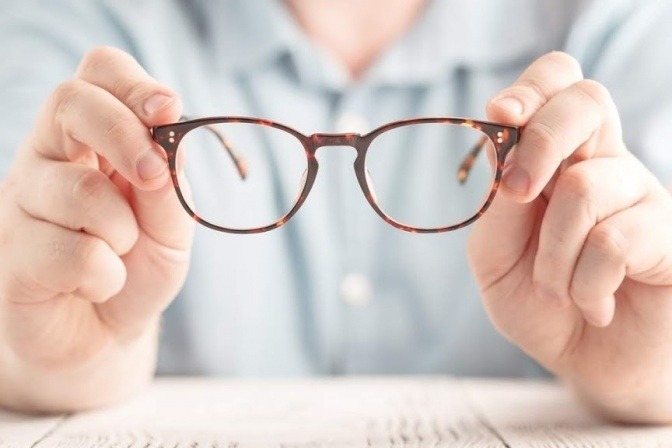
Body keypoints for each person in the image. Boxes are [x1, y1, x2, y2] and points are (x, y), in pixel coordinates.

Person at [0, 0, 671, 423]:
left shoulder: (618, 26)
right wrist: (62, 360)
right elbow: (23, 266)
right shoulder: (73, 26)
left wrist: (649, 375)